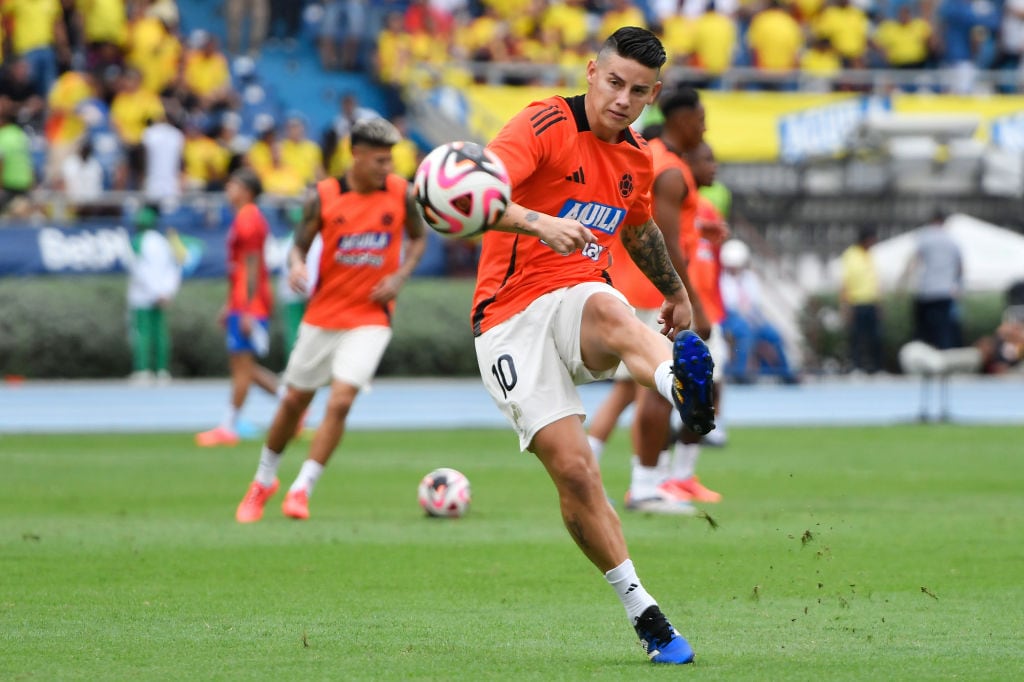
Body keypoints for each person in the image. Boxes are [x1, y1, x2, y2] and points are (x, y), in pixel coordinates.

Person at [472, 27, 714, 665]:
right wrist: (538, 221)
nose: (623, 99)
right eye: (614, 82)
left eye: (638, 91)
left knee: (610, 307)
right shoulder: (542, 122)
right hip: (505, 317)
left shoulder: (638, 155)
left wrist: (677, 292)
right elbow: (478, 196)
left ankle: (681, 387)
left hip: (576, 292)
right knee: (576, 471)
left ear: (652, 95)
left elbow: (637, 228)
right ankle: (646, 613)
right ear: (590, 72)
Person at [234, 118, 427, 522]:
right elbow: (298, 248)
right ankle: (264, 479)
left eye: (390, 159)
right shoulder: (323, 197)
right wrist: (295, 267)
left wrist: (401, 275)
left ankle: (302, 487)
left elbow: (418, 237)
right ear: (355, 155)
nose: (387, 168)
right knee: (293, 401)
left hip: (371, 317)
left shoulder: (401, 193)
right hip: (323, 315)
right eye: (379, 160)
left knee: (340, 400)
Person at [586, 87, 711, 515]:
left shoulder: (644, 151)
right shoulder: (671, 169)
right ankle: (645, 484)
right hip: (650, 291)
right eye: (700, 118)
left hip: (624, 283)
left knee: (625, 392)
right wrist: (688, 297)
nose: (704, 127)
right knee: (662, 388)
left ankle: (592, 471)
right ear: (680, 119)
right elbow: (667, 240)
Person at [196, 169, 280, 447]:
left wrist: (246, 308)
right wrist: (230, 305)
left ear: (247, 191)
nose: (228, 189)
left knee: (242, 368)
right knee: (246, 367)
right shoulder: (244, 218)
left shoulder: (249, 219)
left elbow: (253, 266)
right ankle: (295, 406)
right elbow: (241, 269)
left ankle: (228, 427)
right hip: (242, 302)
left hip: (249, 304)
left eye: (233, 185)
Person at [719, 239, 799, 383]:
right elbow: (729, 306)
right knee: (745, 333)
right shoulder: (721, 280)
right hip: (730, 318)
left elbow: (755, 305)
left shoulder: (750, 278)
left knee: (774, 334)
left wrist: (755, 319)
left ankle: (785, 373)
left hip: (752, 318)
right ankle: (740, 373)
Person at [126, 206, 182, 385]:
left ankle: (143, 370)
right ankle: (162, 371)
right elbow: (173, 269)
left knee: (142, 334)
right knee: (160, 333)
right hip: (161, 294)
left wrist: (154, 292)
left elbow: (139, 271)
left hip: (143, 296)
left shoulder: (137, 242)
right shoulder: (163, 242)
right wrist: (166, 292)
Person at [902, 209, 964, 350]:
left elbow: (913, 261)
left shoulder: (925, 236)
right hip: (946, 291)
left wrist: (903, 283)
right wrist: (959, 285)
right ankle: (944, 358)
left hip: (926, 290)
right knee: (944, 329)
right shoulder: (952, 240)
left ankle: (921, 356)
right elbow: (960, 267)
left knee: (922, 329)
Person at [840, 227, 883, 374]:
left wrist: (878, 303)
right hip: (856, 302)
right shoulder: (851, 255)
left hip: (871, 301)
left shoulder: (870, 255)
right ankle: (856, 367)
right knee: (856, 337)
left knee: (875, 337)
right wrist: (846, 305)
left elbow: (874, 281)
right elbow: (846, 281)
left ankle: (876, 368)